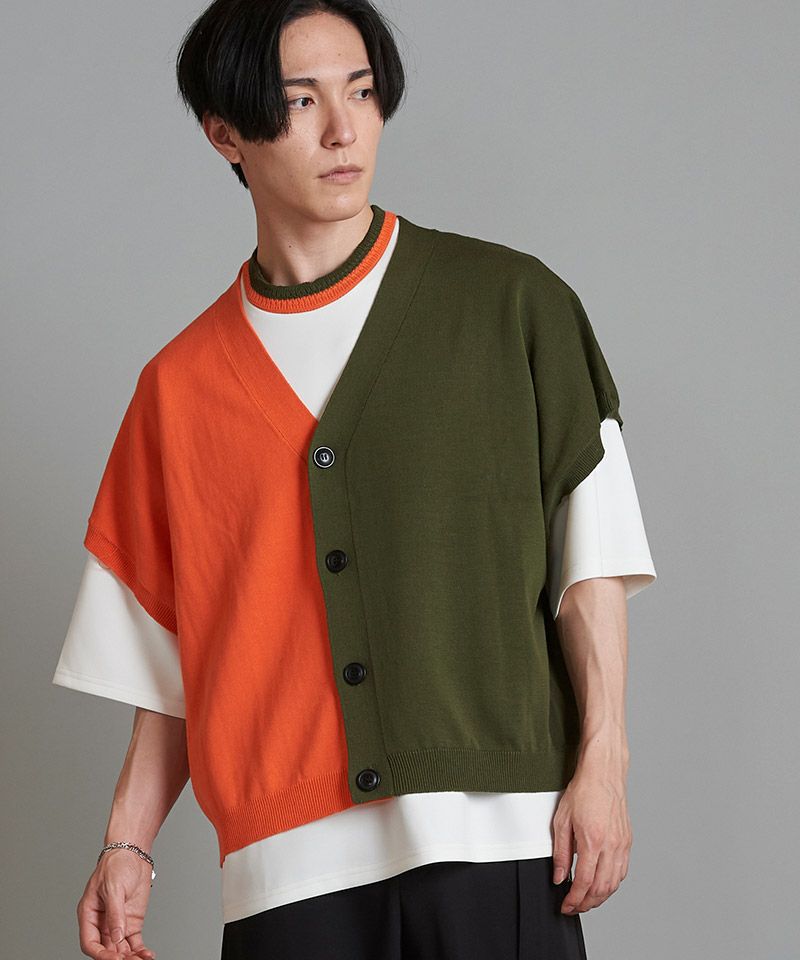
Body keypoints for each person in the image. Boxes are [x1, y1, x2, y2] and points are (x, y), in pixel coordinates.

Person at [52, 2, 657, 958]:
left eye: (363, 92)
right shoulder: (178, 389)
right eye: (300, 102)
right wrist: (127, 842)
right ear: (226, 134)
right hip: (288, 877)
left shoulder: (511, 306)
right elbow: (171, 655)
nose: (344, 131)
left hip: (496, 840)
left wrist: (605, 766)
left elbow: (593, 568)